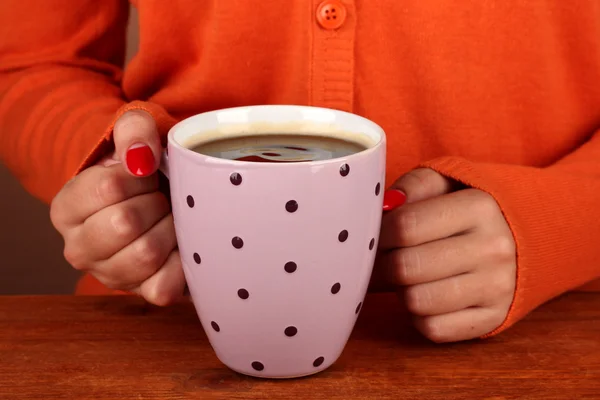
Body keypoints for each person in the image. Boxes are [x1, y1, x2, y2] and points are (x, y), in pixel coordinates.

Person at [1, 1, 599, 344]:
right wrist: (110, 178)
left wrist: (566, 220)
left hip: (546, 336)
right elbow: (30, 63)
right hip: (159, 333)